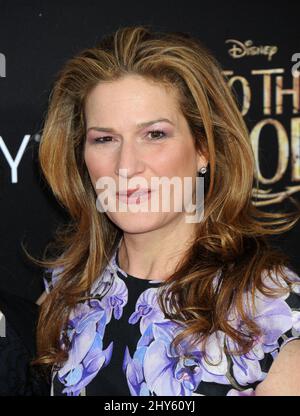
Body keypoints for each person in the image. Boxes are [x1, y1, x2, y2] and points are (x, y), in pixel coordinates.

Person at [33, 25, 300, 396]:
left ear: (204, 148)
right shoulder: (66, 286)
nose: (126, 165)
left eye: (155, 134)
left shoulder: (273, 316)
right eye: (105, 139)